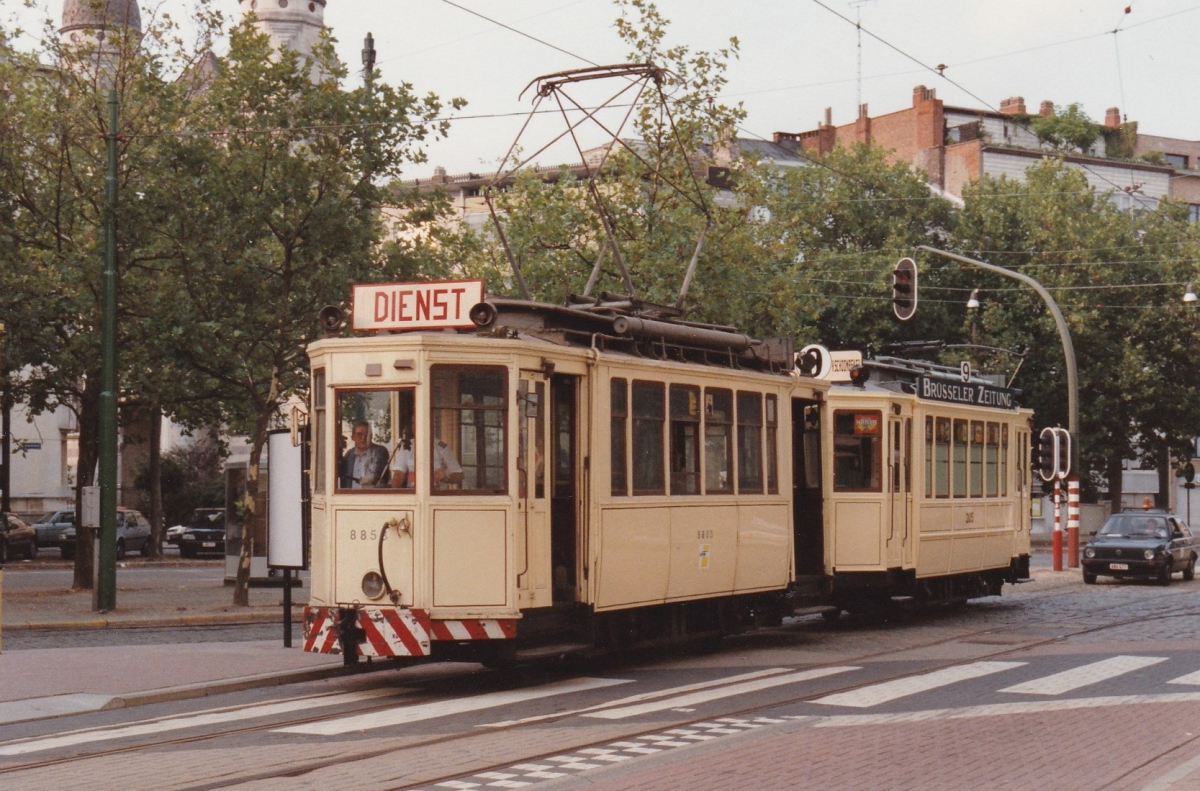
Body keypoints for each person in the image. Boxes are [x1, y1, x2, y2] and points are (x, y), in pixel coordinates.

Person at [340, 421, 389, 488]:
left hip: (372, 496)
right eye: (359, 434)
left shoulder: (379, 451)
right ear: (353, 437)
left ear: (371, 436)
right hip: (352, 496)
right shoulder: (349, 455)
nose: (363, 437)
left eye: (366, 434)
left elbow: (377, 477)